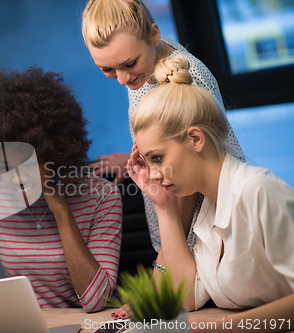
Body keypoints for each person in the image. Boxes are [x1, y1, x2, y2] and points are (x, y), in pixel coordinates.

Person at [81, 0, 245, 286]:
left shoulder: (183, 79)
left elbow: (186, 187)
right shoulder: (151, 59)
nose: (121, 79)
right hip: (178, 223)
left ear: (154, 34)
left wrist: (161, 272)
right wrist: (141, 153)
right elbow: (162, 132)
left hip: (206, 225)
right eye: (107, 69)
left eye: (128, 64)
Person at [125, 55, 294, 332]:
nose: (153, 173)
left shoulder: (258, 190)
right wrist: (164, 208)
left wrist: (218, 327)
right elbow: (184, 299)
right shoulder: (207, 209)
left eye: (157, 158)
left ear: (195, 139)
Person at [0, 67, 123, 313]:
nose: (18, 178)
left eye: (29, 164)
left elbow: (96, 301)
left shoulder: (102, 196)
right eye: (6, 167)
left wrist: (61, 210)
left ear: (57, 153)